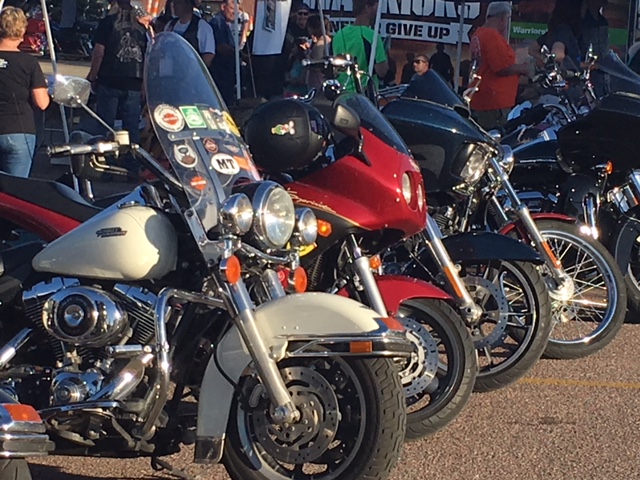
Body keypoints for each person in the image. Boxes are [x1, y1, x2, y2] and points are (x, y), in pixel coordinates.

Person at [87, 0, 147, 159]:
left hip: (110, 79)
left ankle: (103, 162)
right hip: (134, 82)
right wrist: (144, 84)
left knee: (105, 126)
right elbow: (148, 56)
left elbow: (99, 51)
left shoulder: (107, 23)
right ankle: (132, 164)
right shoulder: (142, 28)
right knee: (131, 127)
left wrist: (93, 75)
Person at [0, 6, 49, 177]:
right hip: (19, 129)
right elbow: (42, 103)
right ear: (22, 30)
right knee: (16, 190)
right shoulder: (29, 63)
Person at [469, 1, 529, 130]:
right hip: (494, 102)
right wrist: (524, 68)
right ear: (503, 18)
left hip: (483, 97)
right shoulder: (491, 36)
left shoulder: (479, 34)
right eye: (508, 19)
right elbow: (502, 68)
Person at [331, 0, 388, 91]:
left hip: (341, 94)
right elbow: (382, 71)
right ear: (367, 7)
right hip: (363, 95)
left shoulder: (339, 34)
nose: (378, 11)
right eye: (376, 7)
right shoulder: (372, 36)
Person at [165, 0, 215, 67]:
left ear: (188, 4)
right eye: (173, 3)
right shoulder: (170, 25)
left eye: (178, 3)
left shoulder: (202, 26)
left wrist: (195, 72)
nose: (174, 6)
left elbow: (208, 55)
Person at [209, 0, 241, 105]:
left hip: (227, 73)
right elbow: (220, 46)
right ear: (223, 7)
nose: (235, 13)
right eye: (232, 9)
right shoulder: (217, 23)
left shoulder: (226, 23)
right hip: (220, 73)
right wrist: (239, 54)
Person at [306, 14, 331, 90]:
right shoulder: (326, 39)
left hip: (318, 82)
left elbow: (318, 64)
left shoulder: (321, 42)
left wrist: (306, 54)